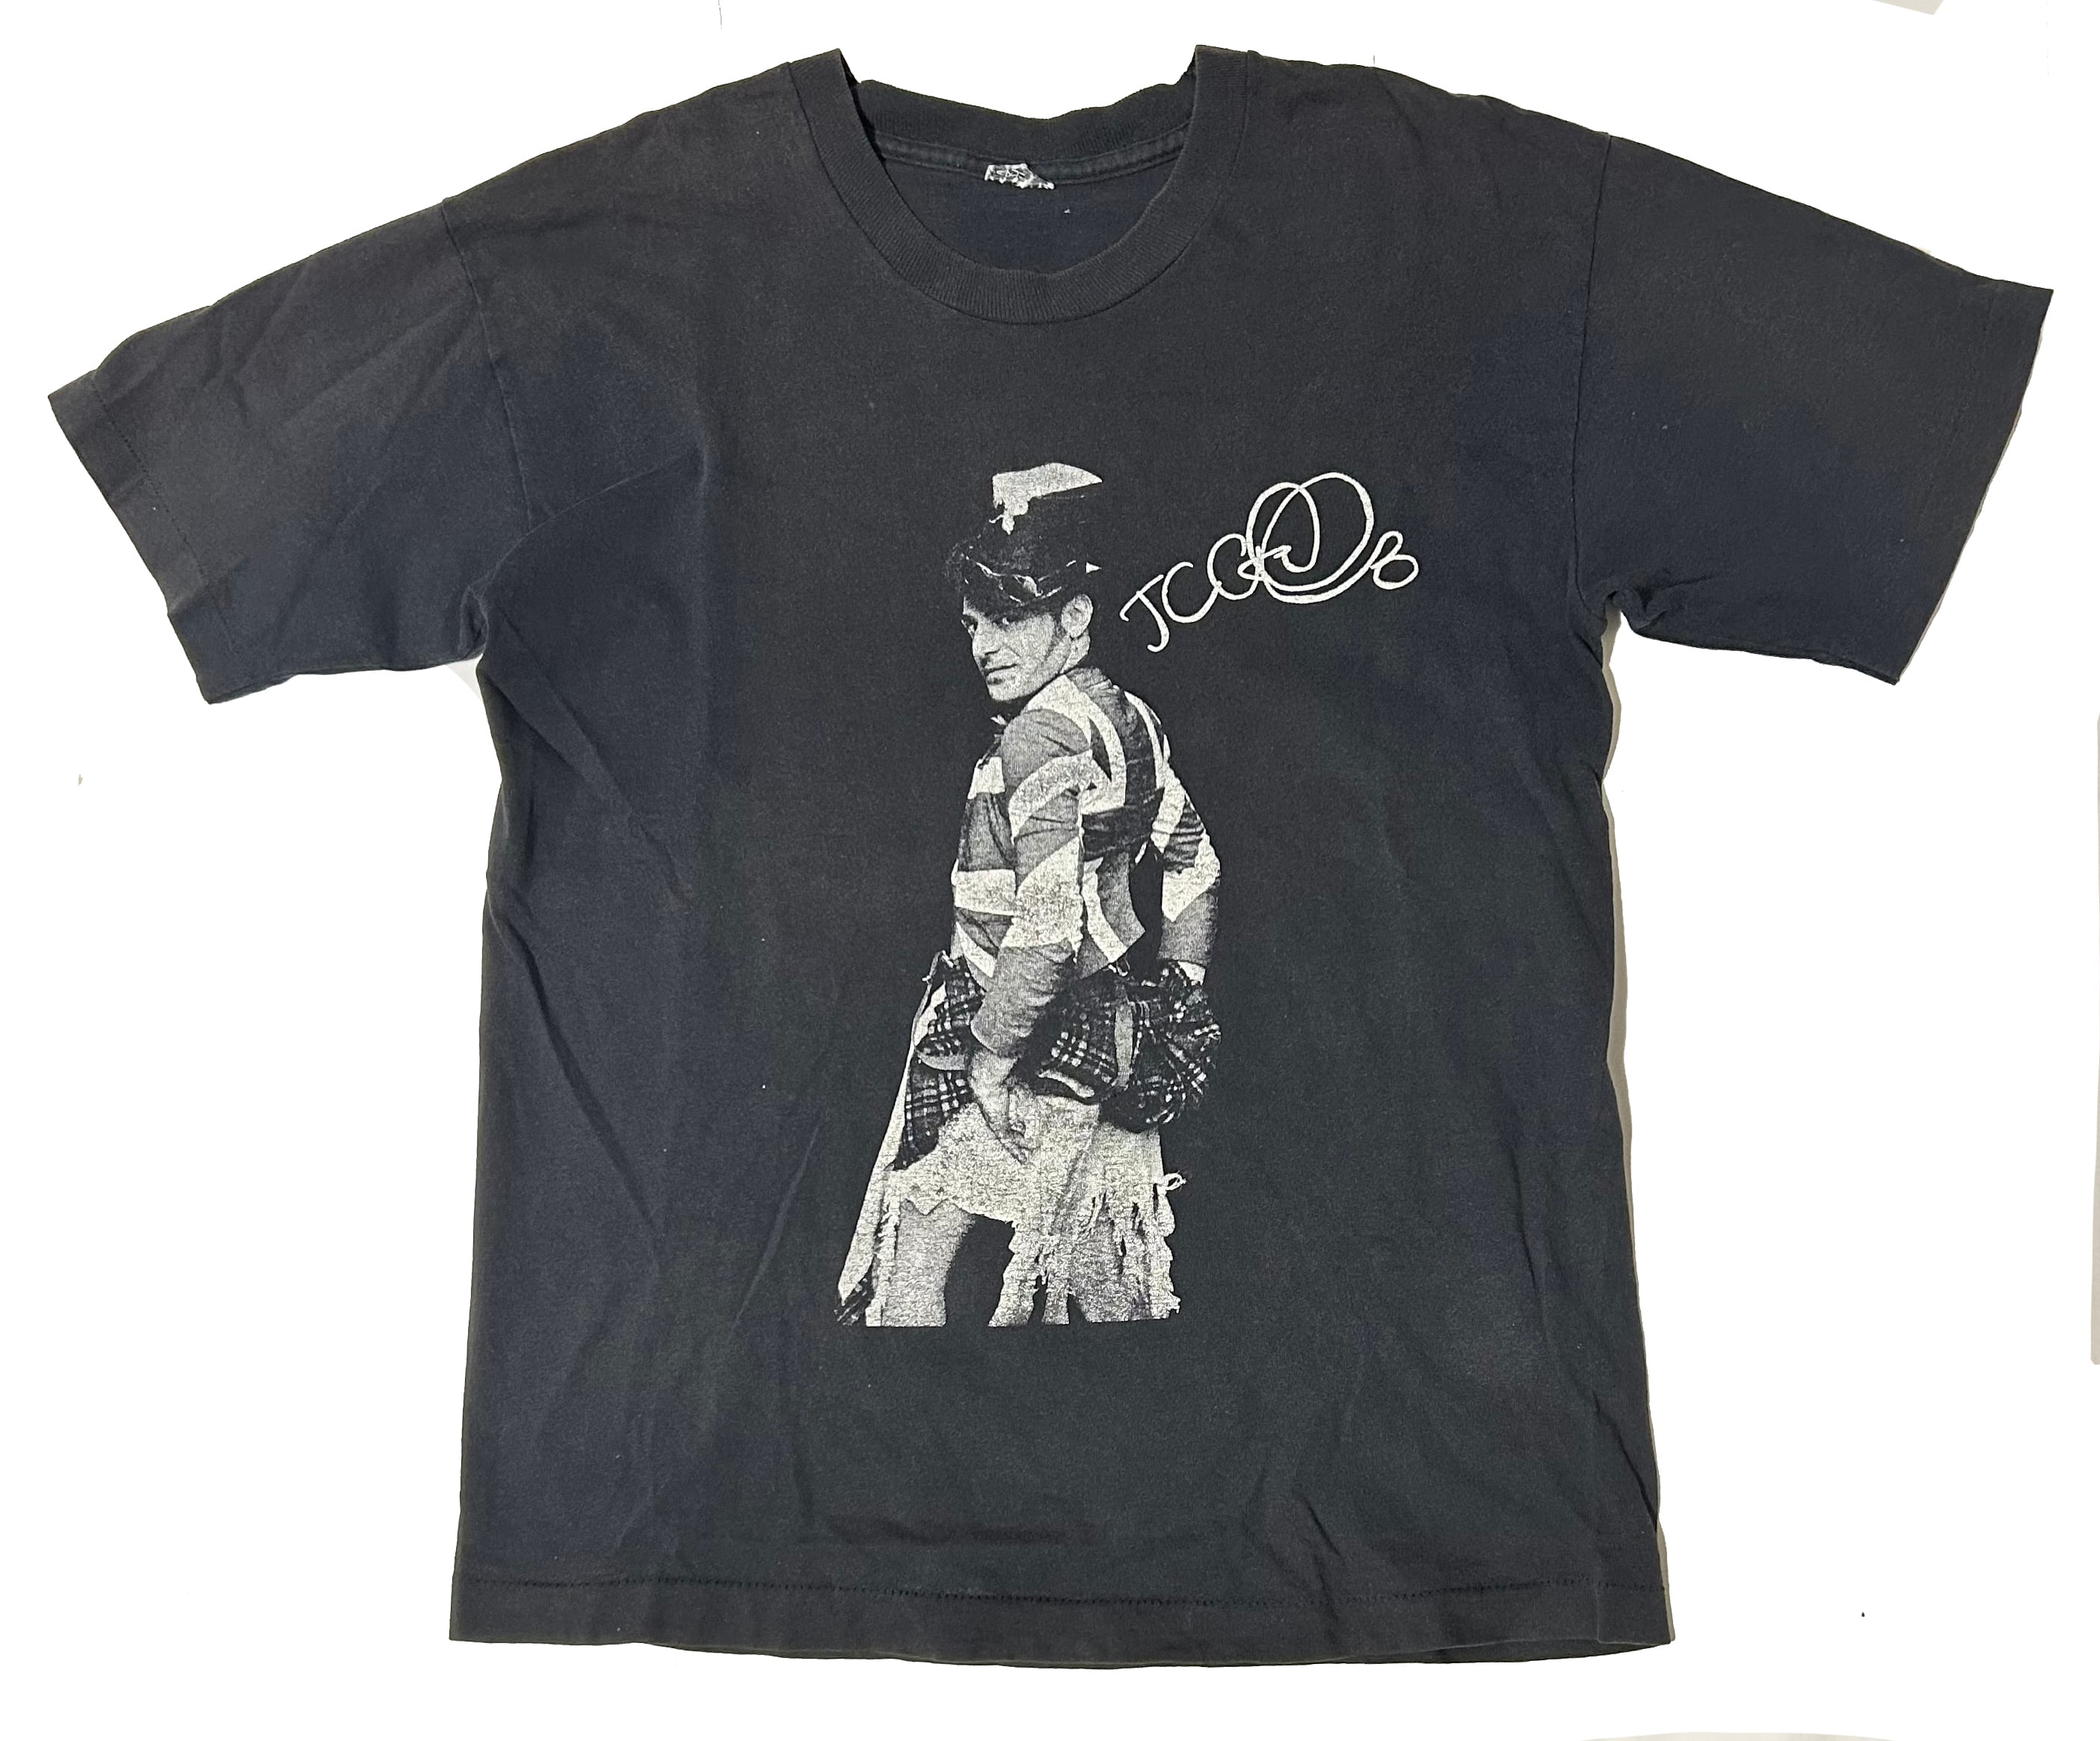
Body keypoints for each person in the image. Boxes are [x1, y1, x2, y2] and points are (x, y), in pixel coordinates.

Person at [837, 463, 1222, 1327]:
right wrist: (1179, 994)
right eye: (975, 623)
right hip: (1106, 1030)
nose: (984, 645)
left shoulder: (1040, 736)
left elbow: (1046, 927)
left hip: (1021, 1032)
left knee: (911, 1256)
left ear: (1075, 617)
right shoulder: (1130, 718)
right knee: (1102, 1269)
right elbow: (1196, 865)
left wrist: (989, 1058)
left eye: (1010, 618)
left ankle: (910, 1415)